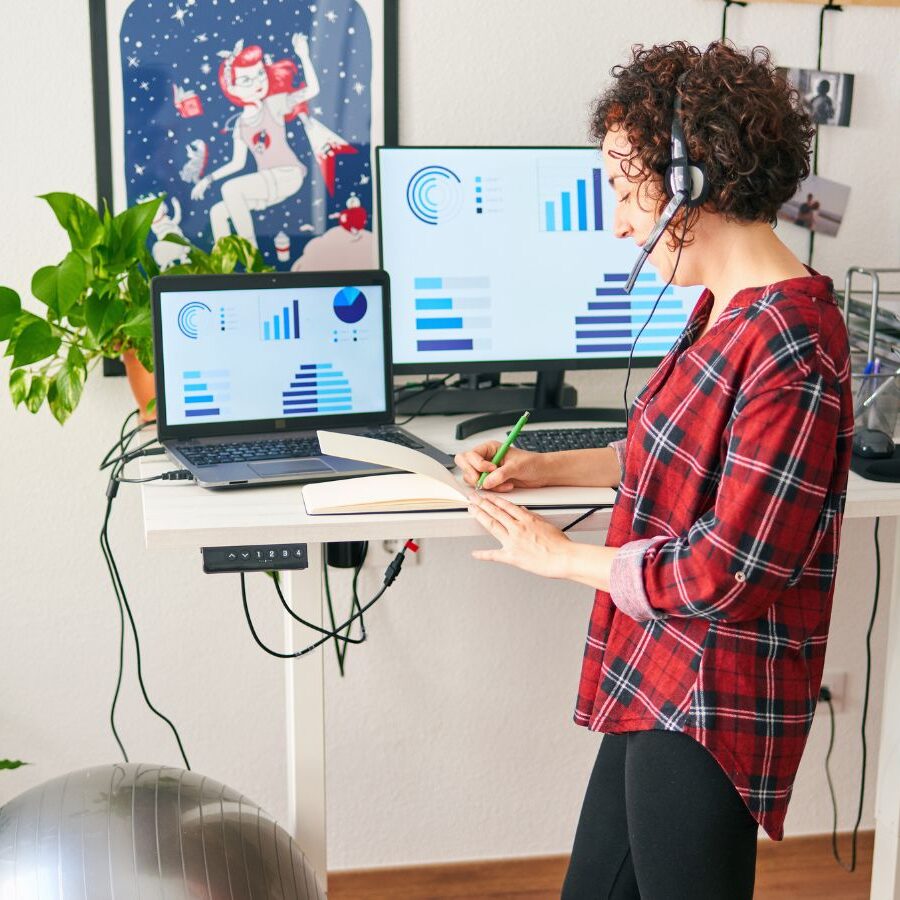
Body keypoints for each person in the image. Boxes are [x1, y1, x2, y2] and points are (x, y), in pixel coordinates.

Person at [456, 41, 853, 900]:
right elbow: (675, 450)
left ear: (694, 181)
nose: (618, 221)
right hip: (659, 668)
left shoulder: (790, 343)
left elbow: (731, 568)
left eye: (624, 186)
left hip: (711, 694)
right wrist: (544, 467)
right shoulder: (724, 313)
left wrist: (559, 557)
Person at [191, 35, 320, 246]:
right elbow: (237, 164)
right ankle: (224, 266)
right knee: (218, 212)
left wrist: (304, 56)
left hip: (288, 174)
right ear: (231, 88)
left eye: (260, 74)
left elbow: (312, 90)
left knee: (231, 189)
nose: (258, 82)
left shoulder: (274, 104)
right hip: (268, 181)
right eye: (246, 80)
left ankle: (252, 258)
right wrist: (207, 179)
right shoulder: (240, 125)